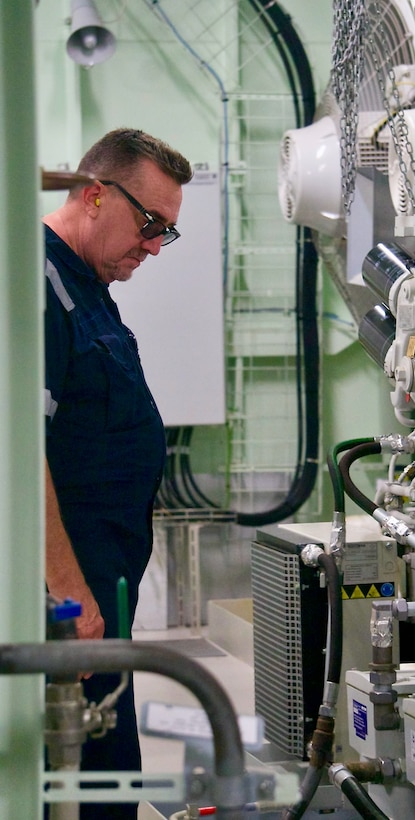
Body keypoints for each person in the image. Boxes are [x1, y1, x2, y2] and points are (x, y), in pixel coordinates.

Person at [43, 127, 193, 819]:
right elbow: (19, 457)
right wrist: (68, 598)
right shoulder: (37, 288)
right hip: (68, 602)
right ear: (94, 194)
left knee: (107, 768)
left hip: (104, 588)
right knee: (80, 780)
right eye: (150, 223)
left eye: (167, 231)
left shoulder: (87, 282)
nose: (155, 246)